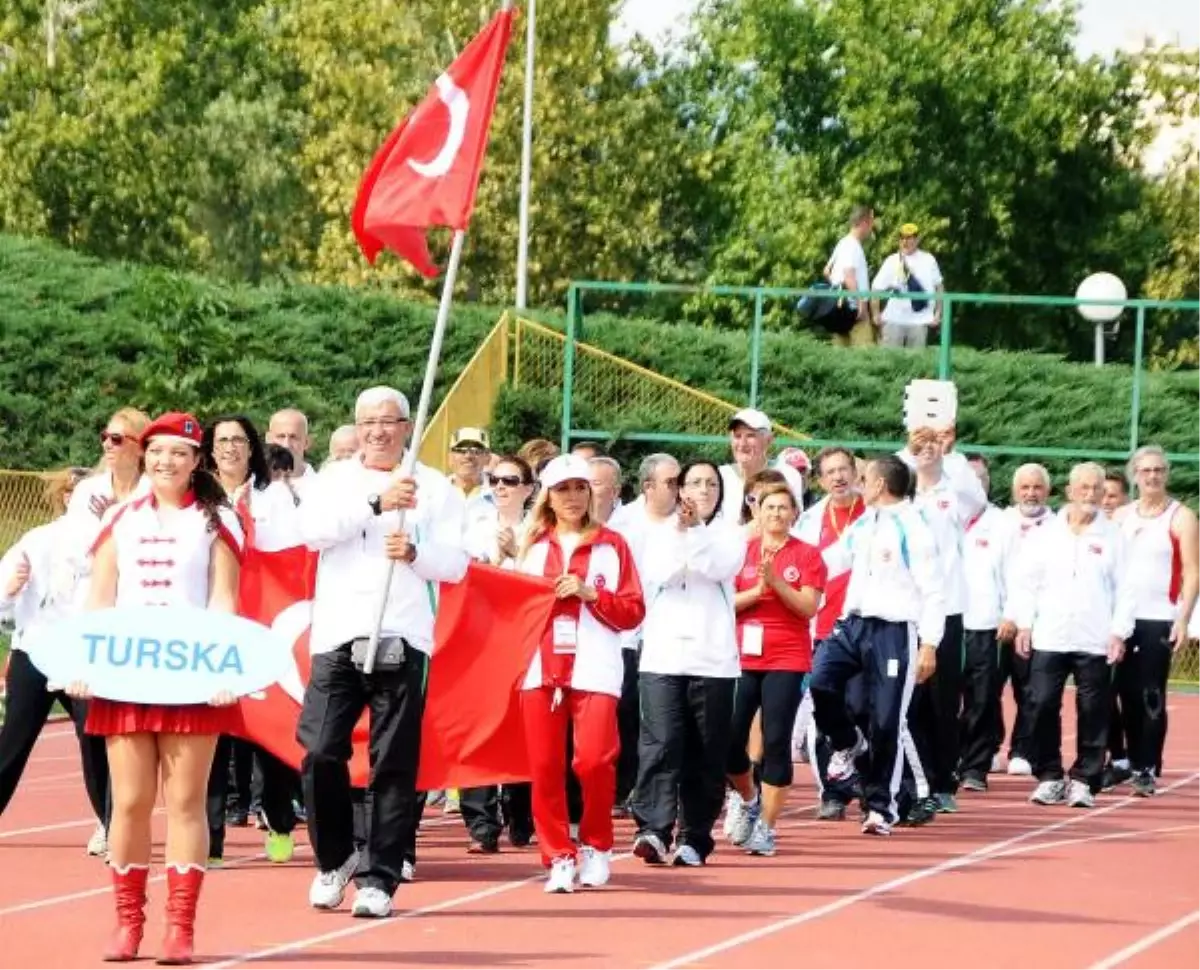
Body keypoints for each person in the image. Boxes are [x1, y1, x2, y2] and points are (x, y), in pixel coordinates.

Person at [69, 412, 244, 964]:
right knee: (130, 802)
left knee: (187, 802)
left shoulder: (218, 521)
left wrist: (223, 670)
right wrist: (86, 661)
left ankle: (180, 927)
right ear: (144, 456)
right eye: (157, 451)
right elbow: (100, 597)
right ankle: (127, 923)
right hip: (126, 675)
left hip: (190, 675)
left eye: (179, 453)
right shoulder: (119, 518)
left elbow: (223, 600)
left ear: (198, 462)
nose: (166, 461)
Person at [297, 386, 468, 919]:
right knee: (321, 749)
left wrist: (416, 552)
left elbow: (456, 564)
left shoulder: (436, 488)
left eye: (389, 421)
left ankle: (381, 876)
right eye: (368, 421)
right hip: (338, 635)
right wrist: (376, 503)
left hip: (402, 635)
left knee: (392, 761)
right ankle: (335, 858)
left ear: (406, 425)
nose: (378, 430)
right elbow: (313, 534)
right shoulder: (335, 480)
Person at [516, 454, 645, 894]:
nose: (572, 497)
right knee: (545, 766)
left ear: (591, 493)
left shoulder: (614, 545)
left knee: (593, 760)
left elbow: (633, 611)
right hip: (539, 669)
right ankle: (557, 856)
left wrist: (592, 595)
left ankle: (596, 845)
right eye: (562, 489)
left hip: (595, 667)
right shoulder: (531, 548)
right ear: (547, 497)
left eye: (579, 488)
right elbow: (512, 609)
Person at [810, 455, 944, 836]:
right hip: (851, 625)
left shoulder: (913, 527)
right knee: (821, 680)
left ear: (881, 484)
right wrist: (793, 562)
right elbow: (830, 561)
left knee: (886, 721)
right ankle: (848, 743)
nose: (858, 484)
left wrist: (930, 643)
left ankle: (881, 808)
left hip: (893, 631)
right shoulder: (865, 522)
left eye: (865, 478)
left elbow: (934, 590)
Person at [200, 415, 303, 866]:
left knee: (268, 730)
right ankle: (212, 838)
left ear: (252, 448)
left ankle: (279, 820)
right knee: (211, 733)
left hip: (264, 624)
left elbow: (293, 553)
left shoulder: (274, 496)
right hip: (212, 627)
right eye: (221, 440)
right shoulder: (196, 497)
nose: (230, 448)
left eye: (239, 440)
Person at [631, 460, 743, 867]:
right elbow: (662, 572)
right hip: (663, 655)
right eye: (694, 483)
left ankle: (695, 835)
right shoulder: (658, 533)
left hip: (713, 659)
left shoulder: (730, 535)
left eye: (711, 484)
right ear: (679, 490)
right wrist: (682, 531)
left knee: (705, 750)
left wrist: (694, 531)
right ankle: (653, 829)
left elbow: (717, 568)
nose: (702, 490)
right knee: (660, 743)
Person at [0, 467, 111, 854]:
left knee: (95, 739)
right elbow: (2, 599)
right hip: (35, 652)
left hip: (84, 658)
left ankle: (110, 825)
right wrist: (10, 591)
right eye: (80, 494)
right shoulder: (38, 539)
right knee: (14, 739)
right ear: (66, 498)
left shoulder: (110, 540)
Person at [1014, 462, 1135, 809]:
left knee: (1094, 710)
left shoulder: (1114, 536)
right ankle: (1050, 776)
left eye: (1096, 488)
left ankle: (1085, 779)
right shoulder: (1046, 533)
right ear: (1068, 491)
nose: (1090, 494)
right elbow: (1027, 583)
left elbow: (1127, 589)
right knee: (1038, 704)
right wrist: (1025, 623)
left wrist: (1118, 632)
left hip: (1094, 638)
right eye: (1083, 487)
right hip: (1050, 636)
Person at [724, 483, 825, 856]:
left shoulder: (807, 555)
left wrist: (777, 582)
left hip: (787, 657)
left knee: (777, 739)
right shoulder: (741, 552)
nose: (777, 514)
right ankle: (747, 798)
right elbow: (726, 603)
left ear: (794, 514)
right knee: (729, 738)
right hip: (742, 656)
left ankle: (766, 826)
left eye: (784, 508)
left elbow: (808, 607)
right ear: (757, 512)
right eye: (770, 507)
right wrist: (758, 592)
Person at [458, 454, 536, 852]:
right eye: (495, 479)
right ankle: (481, 824)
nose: (500, 486)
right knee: (479, 727)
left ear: (527, 487)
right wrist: (498, 557)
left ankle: (520, 810)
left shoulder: (538, 529)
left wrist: (517, 553)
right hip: (481, 638)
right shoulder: (474, 525)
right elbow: (466, 575)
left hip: (524, 639)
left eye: (510, 480)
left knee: (521, 727)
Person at [1114, 445, 1199, 797]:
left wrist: (1182, 618)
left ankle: (1147, 765)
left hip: (1158, 618)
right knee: (1120, 693)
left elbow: (1194, 571)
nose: (1153, 476)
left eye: (1159, 470)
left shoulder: (1181, 517)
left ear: (1166, 473)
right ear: (1135, 475)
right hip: (1122, 619)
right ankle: (1126, 761)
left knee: (1150, 694)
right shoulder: (1120, 517)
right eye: (1146, 470)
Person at [793, 447, 868, 820]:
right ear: (820, 480)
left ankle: (872, 786)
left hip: (869, 626)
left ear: (856, 473)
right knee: (824, 705)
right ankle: (833, 793)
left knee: (866, 709)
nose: (838, 477)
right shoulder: (809, 521)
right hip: (824, 627)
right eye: (830, 472)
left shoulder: (875, 512)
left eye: (844, 470)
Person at [994, 463, 1054, 777]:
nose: (1031, 493)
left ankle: (1023, 750)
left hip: (1035, 624)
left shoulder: (1058, 526)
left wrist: (1022, 617)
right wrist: (1003, 614)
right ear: (1015, 490)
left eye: (1037, 487)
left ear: (1048, 490)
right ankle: (989, 747)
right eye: (1025, 487)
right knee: (987, 689)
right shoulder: (1000, 522)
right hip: (995, 621)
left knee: (1030, 691)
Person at [958, 455, 1009, 791]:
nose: (977, 485)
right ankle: (947, 759)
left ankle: (976, 765)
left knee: (982, 697)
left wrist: (1012, 613)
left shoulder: (1002, 522)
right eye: (970, 479)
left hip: (985, 622)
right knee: (942, 699)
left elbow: (1014, 573)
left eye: (982, 479)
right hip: (944, 621)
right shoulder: (942, 515)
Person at [68, 407, 152, 522]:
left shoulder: (156, 494)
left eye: (116, 439)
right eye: (104, 437)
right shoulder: (86, 490)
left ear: (140, 448)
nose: (106, 445)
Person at [869, 223, 944, 349]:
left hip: (920, 320)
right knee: (888, 362)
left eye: (909, 238)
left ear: (917, 239)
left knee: (916, 363)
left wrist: (938, 313)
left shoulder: (928, 260)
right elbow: (876, 288)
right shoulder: (892, 260)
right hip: (894, 319)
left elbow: (939, 287)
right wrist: (875, 313)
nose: (905, 241)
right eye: (902, 238)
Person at [823, 205, 876, 347]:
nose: (872, 228)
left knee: (841, 353)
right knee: (865, 355)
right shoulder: (852, 246)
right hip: (854, 309)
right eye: (871, 223)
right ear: (864, 222)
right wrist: (860, 303)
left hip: (839, 306)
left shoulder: (842, 243)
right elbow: (849, 276)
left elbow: (827, 271)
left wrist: (838, 290)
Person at [718, 409, 772, 522]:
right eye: (737, 436)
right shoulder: (719, 476)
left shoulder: (786, 475)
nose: (742, 443)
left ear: (768, 440)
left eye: (750, 436)